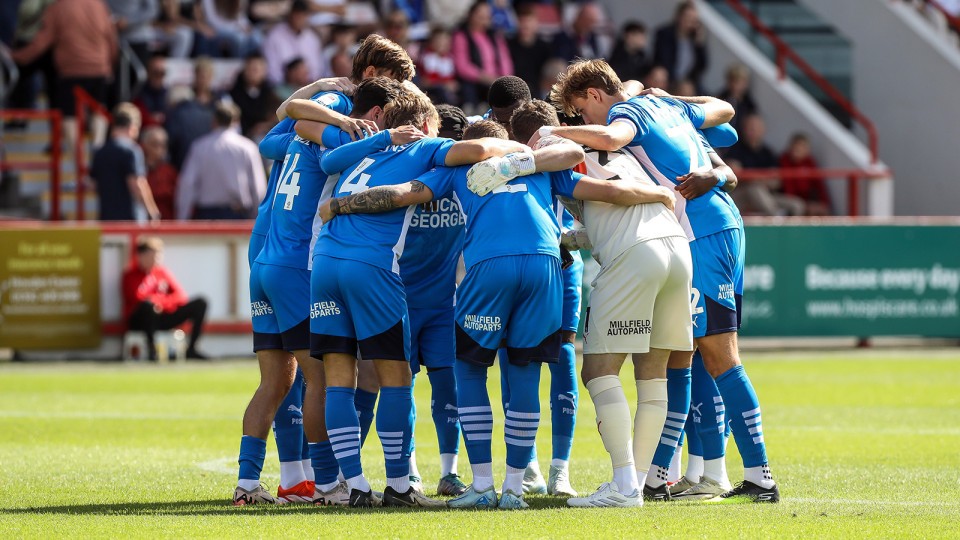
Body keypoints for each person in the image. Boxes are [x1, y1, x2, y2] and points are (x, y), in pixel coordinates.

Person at [548, 58, 780, 504]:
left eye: (581, 110)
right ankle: (665, 473)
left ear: (595, 94)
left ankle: (757, 474)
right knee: (685, 353)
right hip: (719, 227)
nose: (584, 121)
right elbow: (724, 112)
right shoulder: (667, 108)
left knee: (717, 354)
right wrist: (671, 97)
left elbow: (611, 137)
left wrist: (555, 134)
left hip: (699, 233)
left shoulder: (624, 114)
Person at [308, 93, 528, 508]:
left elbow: (326, 164)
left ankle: (352, 487)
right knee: (396, 380)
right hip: (371, 266)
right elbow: (480, 148)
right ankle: (400, 485)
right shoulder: (424, 146)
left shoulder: (364, 154)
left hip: (325, 264)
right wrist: (522, 149)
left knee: (339, 381)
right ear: (425, 123)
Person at [237, 36, 417, 506]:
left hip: (265, 257)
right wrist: (379, 136)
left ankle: (257, 482)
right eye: (395, 86)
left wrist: (313, 107)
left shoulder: (306, 120)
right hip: (299, 262)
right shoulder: (344, 117)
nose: (397, 101)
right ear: (375, 76)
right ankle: (327, 482)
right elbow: (335, 147)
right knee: (324, 377)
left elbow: (275, 133)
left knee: (277, 380)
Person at [11, 0, 117, 148]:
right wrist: (110, 64)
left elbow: (42, 41)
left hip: (71, 71)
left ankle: (77, 160)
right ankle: (97, 148)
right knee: (98, 109)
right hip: (99, 68)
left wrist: (17, 56)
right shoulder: (99, 5)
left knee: (69, 114)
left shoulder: (58, 7)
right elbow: (111, 38)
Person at [175, 101, 266, 220]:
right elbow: (258, 187)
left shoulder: (199, 147)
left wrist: (182, 218)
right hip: (238, 214)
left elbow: (188, 184)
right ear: (236, 121)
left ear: (214, 121)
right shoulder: (247, 147)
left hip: (207, 215)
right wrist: (257, 219)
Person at [123, 237, 208, 360]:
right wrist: (156, 302)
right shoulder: (130, 275)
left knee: (201, 303)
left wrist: (160, 302)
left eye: (158, 256)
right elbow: (137, 299)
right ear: (141, 256)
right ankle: (152, 351)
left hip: (162, 315)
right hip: (140, 321)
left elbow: (181, 296)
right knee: (148, 306)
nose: (156, 260)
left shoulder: (162, 273)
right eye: (152, 256)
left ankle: (192, 349)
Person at [90, 103, 161, 223]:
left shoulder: (100, 152)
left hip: (106, 219)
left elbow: (93, 184)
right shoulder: (132, 151)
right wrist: (153, 213)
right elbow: (137, 185)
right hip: (130, 219)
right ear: (132, 127)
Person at [726, 114, 805, 217]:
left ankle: (793, 232)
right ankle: (778, 219)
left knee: (797, 205)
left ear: (763, 130)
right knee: (754, 188)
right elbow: (735, 177)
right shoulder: (734, 150)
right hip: (740, 196)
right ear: (743, 129)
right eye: (750, 128)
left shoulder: (768, 153)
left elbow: (776, 182)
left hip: (766, 196)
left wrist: (753, 177)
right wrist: (762, 178)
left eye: (756, 128)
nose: (753, 131)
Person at [452, 0, 514, 109]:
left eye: (486, 16)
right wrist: (484, 77)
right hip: (474, 83)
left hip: (495, 81)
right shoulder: (461, 35)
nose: (483, 20)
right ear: (470, 15)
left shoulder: (495, 35)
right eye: (480, 16)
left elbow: (505, 59)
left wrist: (505, 78)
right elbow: (462, 66)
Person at [263, 0, 326, 85]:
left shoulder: (312, 38)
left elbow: (317, 70)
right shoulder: (274, 36)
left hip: (309, 86)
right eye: (297, 14)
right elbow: (273, 73)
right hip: (283, 87)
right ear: (291, 14)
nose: (299, 18)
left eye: (303, 15)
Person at [653, 1, 708, 91]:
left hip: (688, 81)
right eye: (687, 17)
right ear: (679, 17)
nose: (690, 22)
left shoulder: (695, 39)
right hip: (667, 77)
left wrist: (700, 46)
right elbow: (663, 59)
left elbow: (702, 66)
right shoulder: (665, 33)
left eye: (694, 20)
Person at [507, 3, 554, 97]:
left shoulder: (544, 47)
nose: (525, 25)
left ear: (536, 23)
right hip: (514, 89)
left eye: (529, 21)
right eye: (522, 21)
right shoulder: (508, 45)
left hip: (538, 91)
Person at [164, 85, 214, 170]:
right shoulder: (208, 114)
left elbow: (169, 143)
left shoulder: (175, 115)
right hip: (208, 166)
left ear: (173, 102)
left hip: (183, 167)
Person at [780, 133, 831, 216]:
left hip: (807, 200)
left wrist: (824, 203)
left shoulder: (810, 162)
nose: (798, 148)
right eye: (796, 145)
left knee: (822, 210)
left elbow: (819, 185)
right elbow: (788, 188)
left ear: (807, 150)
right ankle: (796, 229)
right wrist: (806, 205)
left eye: (802, 146)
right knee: (799, 206)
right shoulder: (784, 161)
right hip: (790, 199)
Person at [229, 53, 277, 138]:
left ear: (264, 72)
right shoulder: (233, 94)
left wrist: (264, 126)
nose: (251, 73)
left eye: (255, 70)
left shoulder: (271, 94)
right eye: (249, 69)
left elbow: (277, 117)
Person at [140, 126, 178, 220]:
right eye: (155, 144)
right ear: (145, 145)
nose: (160, 149)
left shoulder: (170, 172)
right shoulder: (138, 171)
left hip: (167, 224)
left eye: (163, 145)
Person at [418, 27, 459, 106]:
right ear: (431, 42)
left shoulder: (449, 58)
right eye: (439, 41)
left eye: (446, 41)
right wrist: (445, 84)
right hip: (432, 90)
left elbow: (450, 77)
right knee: (440, 91)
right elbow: (427, 81)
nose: (442, 44)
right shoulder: (428, 57)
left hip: (447, 89)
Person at [716, 64, 757, 130]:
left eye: (739, 81)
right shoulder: (719, 100)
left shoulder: (750, 106)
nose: (735, 85)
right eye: (733, 80)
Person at [134, 54, 170, 127]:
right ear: (148, 73)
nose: (159, 77)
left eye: (162, 73)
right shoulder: (139, 94)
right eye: (156, 73)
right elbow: (138, 120)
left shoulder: (168, 93)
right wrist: (153, 119)